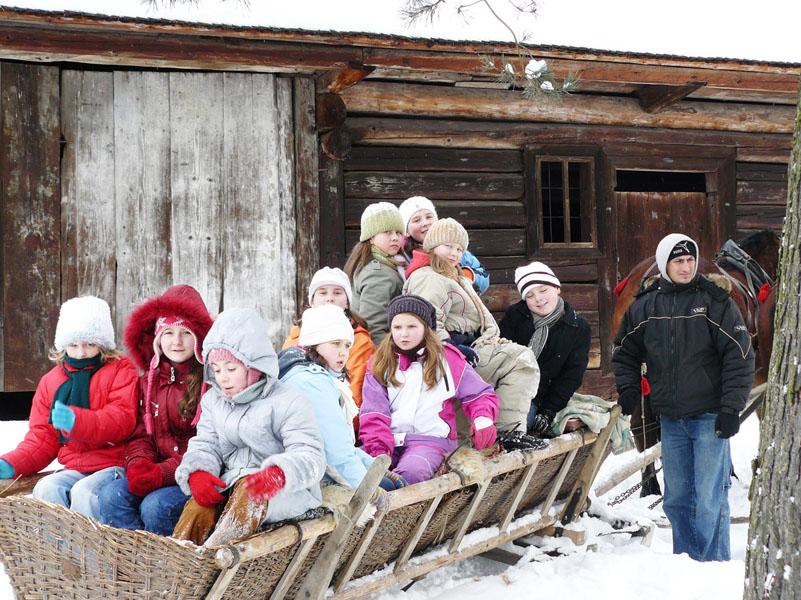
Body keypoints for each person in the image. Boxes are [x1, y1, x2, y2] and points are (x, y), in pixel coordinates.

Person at [612, 233, 755, 562]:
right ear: (665, 264)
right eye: (679, 261)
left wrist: (731, 408)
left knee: (708, 497)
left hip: (709, 416)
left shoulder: (715, 302)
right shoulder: (646, 305)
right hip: (671, 419)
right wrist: (629, 387)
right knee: (676, 498)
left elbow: (740, 356)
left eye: (690, 260)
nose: (686, 266)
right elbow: (624, 350)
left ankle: (709, 565)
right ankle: (686, 563)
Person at [173, 308, 325, 546]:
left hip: (284, 492)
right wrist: (198, 471)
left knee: (249, 492)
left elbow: (312, 456)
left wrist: (280, 474)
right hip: (232, 484)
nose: (222, 378)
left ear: (253, 366)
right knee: (198, 507)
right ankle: (180, 561)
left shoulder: (289, 400)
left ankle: (217, 556)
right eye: (217, 369)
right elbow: (206, 444)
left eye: (231, 369)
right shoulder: (213, 400)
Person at [0, 296, 138, 519]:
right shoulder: (51, 381)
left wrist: (79, 422)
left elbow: (122, 419)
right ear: (63, 345)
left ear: (102, 343)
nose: (81, 352)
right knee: (47, 489)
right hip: (75, 466)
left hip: (114, 464)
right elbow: (42, 436)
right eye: (74, 345)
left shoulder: (120, 371)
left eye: (90, 344)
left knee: (85, 494)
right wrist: (12, 463)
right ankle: (57, 552)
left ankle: (93, 553)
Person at [97, 285, 214, 534]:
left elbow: (211, 443)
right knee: (111, 496)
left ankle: (166, 567)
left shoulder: (211, 382)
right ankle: (130, 563)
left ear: (199, 337)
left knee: (156, 506)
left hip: (193, 474)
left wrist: (163, 473)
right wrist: (139, 463)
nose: (177, 341)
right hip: (156, 468)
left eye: (185, 332)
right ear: (158, 336)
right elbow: (140, 434)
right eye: (169, 332)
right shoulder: (148, 381)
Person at [403, 218, 540, 432]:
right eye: (448, 246)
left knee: (515, 359)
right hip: (445, 354)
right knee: (521, 361)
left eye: (459, 249)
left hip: (467, 347)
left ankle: (489, 429)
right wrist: (454, 348)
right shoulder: (428, 277)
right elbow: (424, 323)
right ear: (432, 245)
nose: (454, 253)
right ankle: (507, 432)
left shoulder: (452, 275)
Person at [359, 295, 499, 486]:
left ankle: (400, 505)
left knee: (413, 471)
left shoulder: (447, 359)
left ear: (426, 328)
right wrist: (378, 452)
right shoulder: (380, 362)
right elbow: (374, 412)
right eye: (397, 327)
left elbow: (478, 394)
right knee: (361, 470)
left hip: (430, 440)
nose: (404, 334)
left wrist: (483, 418)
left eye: (412, 327)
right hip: (388, 439)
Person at [279, 304, 374, 490]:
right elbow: (337, 452)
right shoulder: (312, 382)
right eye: (335, 343)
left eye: (347, 345)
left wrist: (373, 467)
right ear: (314, 344)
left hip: (313, 469)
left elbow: (340, 445)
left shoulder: (308, 373)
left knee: (393, 481)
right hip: (311, 480)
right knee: (391, 490)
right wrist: (369, 492)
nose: (342, 352)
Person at [499, 262, 591, 435]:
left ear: (557, 287)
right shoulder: (515, 316)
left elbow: (571, 376)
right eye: (530, 295)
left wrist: (548, 411)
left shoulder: (577, 327)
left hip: (537, 399)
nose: (539, 299)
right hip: (505, 390)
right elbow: (500, 355)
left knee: (513, 429)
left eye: (543, 290)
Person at [282, 267, 376, 411]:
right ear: (312, 301)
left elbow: (356, 393)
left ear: (347, 303)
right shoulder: (295, 338)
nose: (330, 298)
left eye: (337, 293)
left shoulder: (360, 341)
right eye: (322, 292)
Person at [399, 195, 490, 295]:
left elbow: (484, 276)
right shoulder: (404, 256)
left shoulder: (455, 247)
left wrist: (468, 276)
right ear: (406, 231)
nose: (425, 223)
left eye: (429, 217)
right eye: (417, 220)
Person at [344, 202, 406, 346]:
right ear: (370, 237)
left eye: (398, 232)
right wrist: (392, 361)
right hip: (380, 354)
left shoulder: (378, 264)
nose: (395, 237)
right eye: (387, 232)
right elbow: (373, 327)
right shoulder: (377, 274)